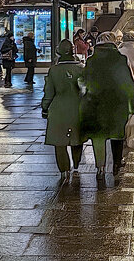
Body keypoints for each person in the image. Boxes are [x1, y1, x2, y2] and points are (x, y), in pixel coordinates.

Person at [78, 34, 134, 180]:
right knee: (117, 136)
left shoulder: (91, 61)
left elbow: (83, 81)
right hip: (118, 104)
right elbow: (127, 83)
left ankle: (100, 166)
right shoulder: (120, 59)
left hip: (96, 103)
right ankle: (116, 164)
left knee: (99, 136)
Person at [43, 39, 84, 176]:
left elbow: (49, 93)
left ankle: (63, 169)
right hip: (78, 108)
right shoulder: (81, 68)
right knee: (77, 138)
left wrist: (45, 108)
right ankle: (76, 163)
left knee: (59, 141)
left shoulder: (54, 70)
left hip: (58, 109)